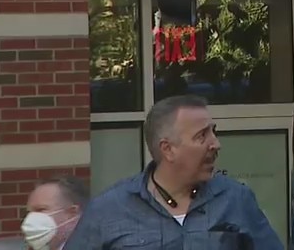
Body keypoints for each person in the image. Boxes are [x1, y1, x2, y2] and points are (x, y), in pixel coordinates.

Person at [64, 94, 282, 250]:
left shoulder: (236, 200)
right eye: (202, 136)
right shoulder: (109, 209)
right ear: (168, 149)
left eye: (213, 132)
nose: (216, 144)